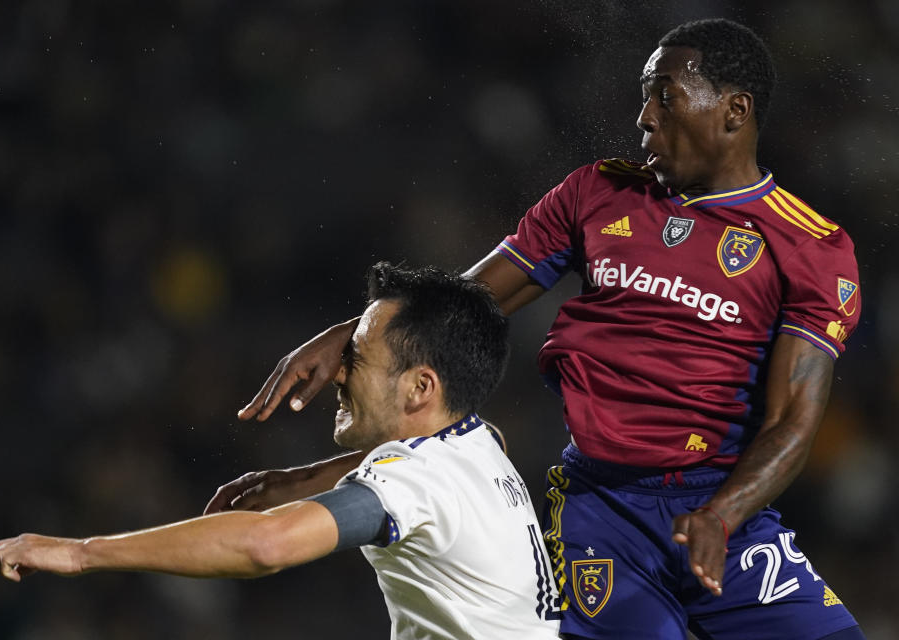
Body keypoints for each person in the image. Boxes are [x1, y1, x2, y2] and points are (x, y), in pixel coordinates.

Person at [212, 18, 864, 640]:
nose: (644, 118)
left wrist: (722, 516)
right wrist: (354, 331)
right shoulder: (595, 195)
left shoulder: (810, 247)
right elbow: (468, 304)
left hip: (726, 509)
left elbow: (792, 423)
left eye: (666, 97)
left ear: (734, 110)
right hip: (602, 514)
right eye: (644, 98)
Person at [0, 263, 561, 640]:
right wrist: (303, 477)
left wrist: (80, 553)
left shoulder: (417, 480)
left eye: (354, 357)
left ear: (420, 387)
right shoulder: (477, 441)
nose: (338, 373)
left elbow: (267, 544)